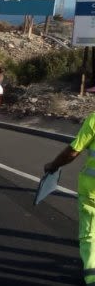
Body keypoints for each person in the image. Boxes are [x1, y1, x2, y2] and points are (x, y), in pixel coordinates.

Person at [44, 113, 95, 285]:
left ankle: (92, 277)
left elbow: (74, 151)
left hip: (92, 191)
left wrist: (53, 165)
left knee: (90, 235)